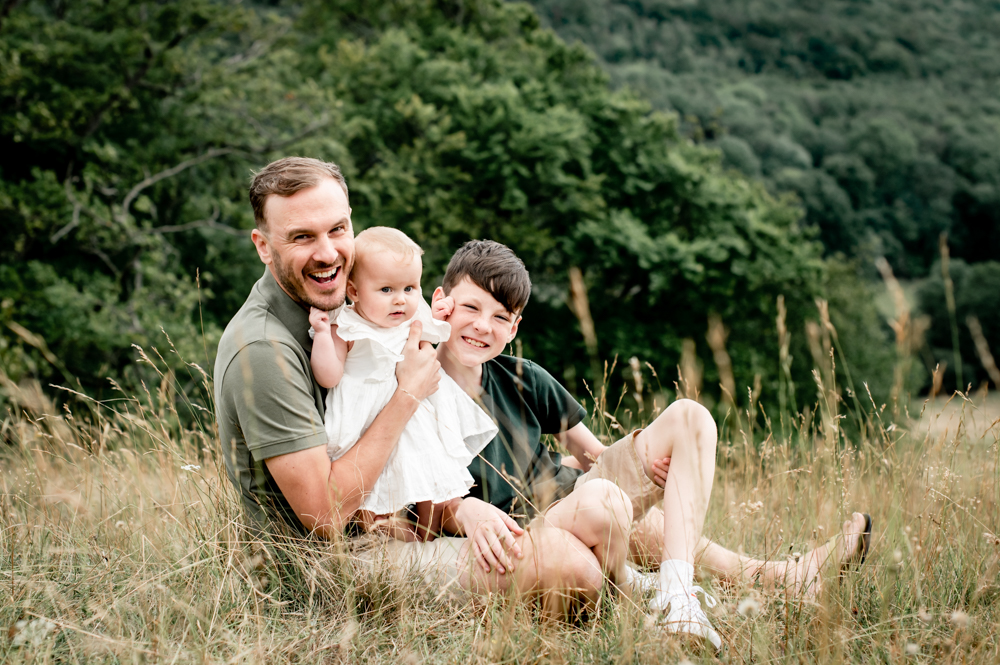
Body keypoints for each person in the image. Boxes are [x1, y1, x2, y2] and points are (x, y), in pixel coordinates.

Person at [215, 157, 613, 616]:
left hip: (406, 515)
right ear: (263, 246)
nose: (327, 253)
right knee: (574, 567)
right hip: (334, 563)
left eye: (338, 229)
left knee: (626, 524)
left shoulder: (353, 298)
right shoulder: (264, 349)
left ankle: (676, 584)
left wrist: (460, 509)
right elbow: (324, 516)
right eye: (302, 237)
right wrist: (408, 394)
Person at [429, 240, 873, 649]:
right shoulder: (415, 386)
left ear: (515, 326)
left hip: (573, 493)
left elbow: (594, 456)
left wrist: (647, 471)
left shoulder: (524, 376)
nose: (483, 326)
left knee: (689, 418)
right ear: (441, 303)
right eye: (471, 307)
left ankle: (700, 591)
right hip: (534, 525)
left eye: (501, 317)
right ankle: (756, 579)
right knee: (605, 501)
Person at [307, 226, 497, 540]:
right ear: (354, 291)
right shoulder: (347, 326)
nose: (401, 300)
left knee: (430, 467)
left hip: (416, 413)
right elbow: (329, 375)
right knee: (372, 484)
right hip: (366, 420)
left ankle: (429, 531)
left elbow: (435, 332)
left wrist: (439, 314)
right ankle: (383, 529)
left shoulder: (410, 317)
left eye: (410, 288)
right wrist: (324, 335)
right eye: (386, 290)